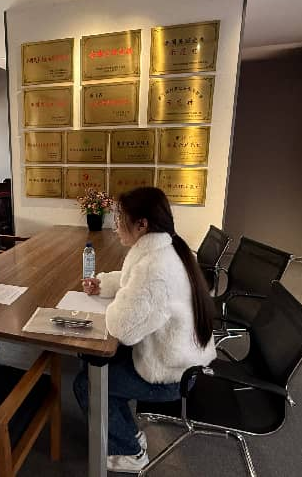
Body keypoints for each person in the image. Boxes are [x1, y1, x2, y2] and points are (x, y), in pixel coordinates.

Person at [73, 187, 216, 473]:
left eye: (120, 218)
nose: (115, 225)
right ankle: (130, 433)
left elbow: (122, 328)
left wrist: (116, 303)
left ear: (142, 224)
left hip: (171, 374)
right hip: (176, 357)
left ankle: (130, 451)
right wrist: (105, 285)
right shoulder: (165, 249)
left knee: (87, 383)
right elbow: (133, 282)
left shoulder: (156, 268)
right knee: (95, 365)